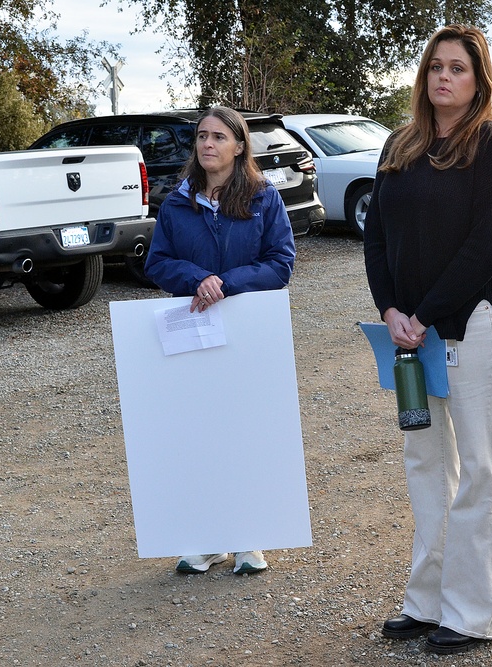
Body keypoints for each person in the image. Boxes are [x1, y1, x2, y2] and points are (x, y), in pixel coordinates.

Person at [363, 24, 492, 656]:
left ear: (478, 80)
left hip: (472, 325)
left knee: (479, 469)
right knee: (426, 464)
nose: (444, 77)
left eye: (458, 68)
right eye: (436, 67)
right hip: (408, 332)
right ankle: (427, 601)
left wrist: (425, 313)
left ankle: (476, 612)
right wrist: (392, 308)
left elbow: (488, 244)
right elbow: (376, 238)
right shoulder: (398, 144)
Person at [144, 105, 295, 575]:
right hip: (193, 332)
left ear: (239, 146)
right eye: (202, 137)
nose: (208, 144)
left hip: (246, 332)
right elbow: (157, 263)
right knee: (200, 432)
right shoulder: (177, 201)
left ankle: (249, 539)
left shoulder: (262, 197)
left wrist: (227, 284)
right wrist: (198, 279)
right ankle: (209, 540)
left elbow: (281, 262)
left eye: (218, 137)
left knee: (245, 431)